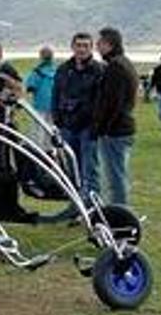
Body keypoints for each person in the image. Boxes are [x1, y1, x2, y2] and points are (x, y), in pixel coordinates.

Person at [52, 33, 103, 197]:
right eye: (78, 45)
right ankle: (76, 204)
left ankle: (92, 205)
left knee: (90, 168)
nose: (81, 49)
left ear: (91, 48)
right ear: (72, 47)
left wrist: (96, 123)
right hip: (67, 125)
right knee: (72, 168)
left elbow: (102, 100)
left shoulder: (99, 70)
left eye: (85, 46)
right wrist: (57, 119)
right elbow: (56, 94)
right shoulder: (64, 69)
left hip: (88, 127)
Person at [94, 27, 137, 205]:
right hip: (122, 126)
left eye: (100, 43)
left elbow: (112, 103)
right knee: (117, 173)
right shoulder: (124, 63)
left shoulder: (116, 67)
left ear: (109, 45)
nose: (97, 47)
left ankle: (119, 212)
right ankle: (118, 208)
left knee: (115, 176)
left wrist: (102, 128)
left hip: (116, 130)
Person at [23, 45, 57, 146]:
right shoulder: (56, 71)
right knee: (51, 128)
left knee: (39, 128)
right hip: (53, 105)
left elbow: (29, 86)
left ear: (41, 56)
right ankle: (51, 149)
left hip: (40, 104)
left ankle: (40, 149)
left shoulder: (37, 72)